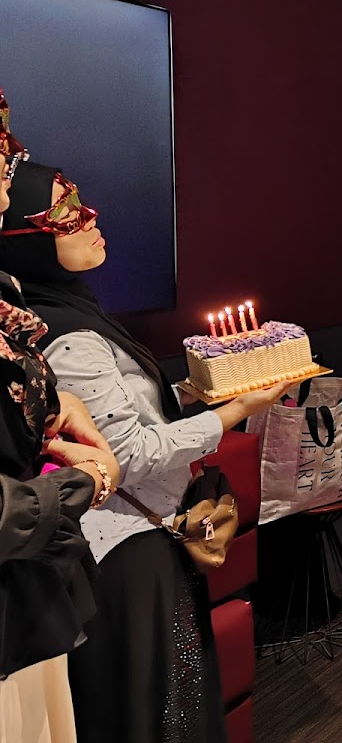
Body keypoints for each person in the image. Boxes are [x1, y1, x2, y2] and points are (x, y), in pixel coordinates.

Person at [0, 162, 287, 743]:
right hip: (123, 552)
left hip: (136, 542)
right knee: (159, 712)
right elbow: (128, 452)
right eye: (63, 213)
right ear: (25, 239)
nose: (90, 218)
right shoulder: (66, 337)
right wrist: (235, 411)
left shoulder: (68, 314)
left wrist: (198, 396)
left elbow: (124, 417)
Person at [0, 91, 121, 743]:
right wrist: (80, 483)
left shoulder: (17, 311)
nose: (6, 172)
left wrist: (50, 410)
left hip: (32, 589)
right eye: (64, 210)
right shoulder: (64, 332)